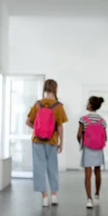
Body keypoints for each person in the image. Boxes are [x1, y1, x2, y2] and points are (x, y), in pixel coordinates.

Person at [26, 79, 68, 207]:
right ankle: (54, 195)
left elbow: (28, 121)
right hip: (52, 141)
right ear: (55, 89)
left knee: (39, 168)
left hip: (37, 141)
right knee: (52, 168)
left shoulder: (38, 104)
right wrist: (61, 142)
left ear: (45, 88)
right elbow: (60, 127)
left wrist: (38, 129)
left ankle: (44, 196)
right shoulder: (58, 106)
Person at [77, 96, 107, 209]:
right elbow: (105, 137)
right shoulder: (102, 121)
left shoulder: (83, 119)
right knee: (98, 172)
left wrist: (81, 143)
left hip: (88, 148)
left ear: (90, 105)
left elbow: (79, 134)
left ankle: (89, 199)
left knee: (87, 175)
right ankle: (97, 194)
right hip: (98, 149)